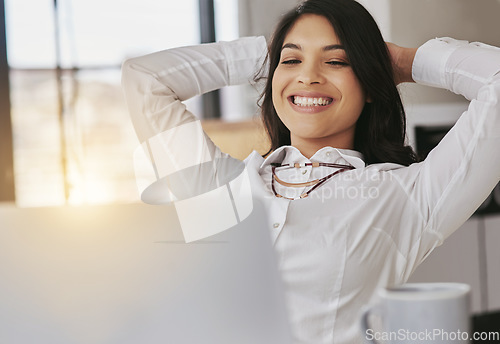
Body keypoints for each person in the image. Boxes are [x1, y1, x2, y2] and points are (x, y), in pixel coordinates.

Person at [121, 0, 500, 342]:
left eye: (336, 61)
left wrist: (403, 62)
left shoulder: (406, 197)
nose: (308, 77)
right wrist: (266, 57)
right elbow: (145, 80)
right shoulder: (217, 187)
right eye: (292, 61)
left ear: (369, 82)